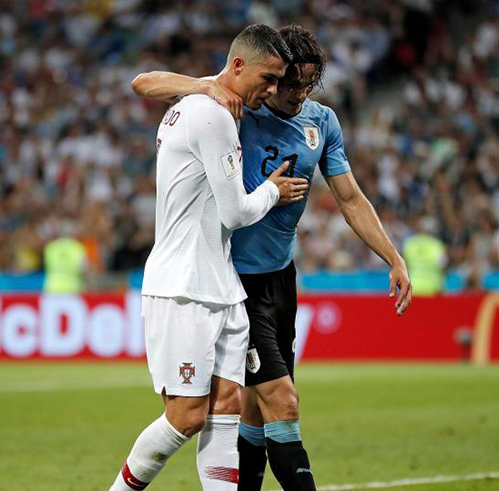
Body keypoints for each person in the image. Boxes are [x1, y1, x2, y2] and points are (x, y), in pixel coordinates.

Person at [131, 24, 412, 491]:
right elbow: (145, 83)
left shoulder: (321, 123)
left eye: (308, 84)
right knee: (282, 400)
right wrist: (203, 84)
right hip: (235, 282)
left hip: (281, 278)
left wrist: (393, 258)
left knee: (254, 412)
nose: (299, 94)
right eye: (290, 83)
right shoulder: (238, 103)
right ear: (271, 76)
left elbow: (350, 199)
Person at [110, 24, 308, 491]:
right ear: (238, 66)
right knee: (186, 416)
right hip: (183, 287)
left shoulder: (208, 105)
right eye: (269, 78)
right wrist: (272, 190)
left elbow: (148, 82)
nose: (274, 90)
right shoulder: (210, 114)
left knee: (226, 408)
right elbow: (236, 211)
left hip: (221, 286)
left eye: (280, 81)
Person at [403, 215, 446, 296]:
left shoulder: (410, 244)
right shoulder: (437, 245)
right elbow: (442, 267)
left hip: (413, 287)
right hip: (432, 288)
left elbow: (404, 266)